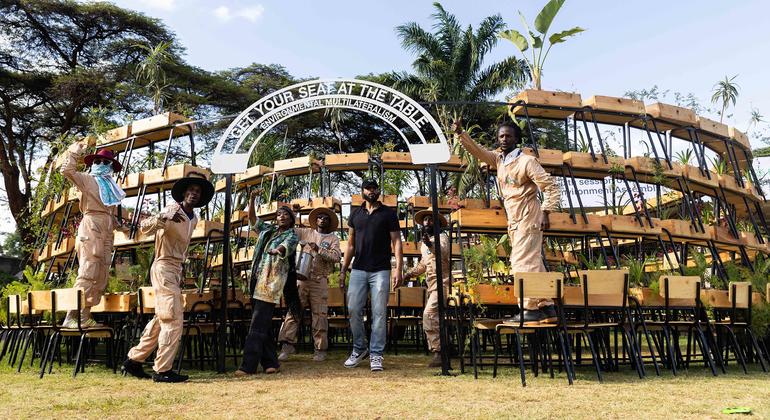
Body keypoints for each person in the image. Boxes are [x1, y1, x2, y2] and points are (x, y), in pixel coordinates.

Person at [453, 119, 561, 323]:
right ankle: (547, 307)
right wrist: (461, 133)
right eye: (501, 136)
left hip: (528, 217)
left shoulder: (527, 161)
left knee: (521, 263)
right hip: (514, 220)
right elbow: (478, 151)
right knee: (534, 262)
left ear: (516, 139)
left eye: (508, 136)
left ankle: (529, 308)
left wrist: (546, 211)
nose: (504, 139)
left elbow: (551, 186)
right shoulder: (499, 160)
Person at [122, 172, 214, 383]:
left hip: (176, 269)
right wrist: (163, 218)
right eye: (190, 190)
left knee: (162, 317)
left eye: (197, 192)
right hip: (163, 266)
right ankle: (163, 370)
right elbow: (144, 229)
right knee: (173, 318)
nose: (194, 194)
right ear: (184, 193)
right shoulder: (171, 209)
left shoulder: (194, 218)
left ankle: (134, 360)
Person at [59, 139, 127, 328]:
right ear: (92, 163)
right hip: (91, 225)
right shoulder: (87, 179)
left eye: (106, 162)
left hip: (106, 229)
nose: (101, 164)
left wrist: (120, 225)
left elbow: (111, 214)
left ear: (112, 166)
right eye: (97, 161)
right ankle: (71, 316)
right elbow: (67, 171)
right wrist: (74, 152)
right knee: (88, 271)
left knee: (101, 273)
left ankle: (84, 316)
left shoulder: (112, 188)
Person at [340, 179, 403, 371]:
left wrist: (398, 269)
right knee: (353, 309)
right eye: (368, 188)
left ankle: (376, 354)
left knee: (379, 313)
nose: (371, 191)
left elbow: (397, 242)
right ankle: (359, 349)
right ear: (362, 192)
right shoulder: (355, 214)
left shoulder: (388, 214)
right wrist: (343, 270)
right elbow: (350, 244)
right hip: (358, 269)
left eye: (374, 188)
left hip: (381, 270)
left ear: (378, 191)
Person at [234, 195, 299, 376]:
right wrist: (253, 200)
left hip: (271, 282)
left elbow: (286, 246)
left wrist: (277, 250)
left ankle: (248, 365)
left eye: (286, 214)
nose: (282, 216)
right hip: (256, 279)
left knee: (257, 323)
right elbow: (253, 220)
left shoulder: (292, 235)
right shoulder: (268, 230)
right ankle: (271, 363)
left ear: (291, 219)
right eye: (279, 214)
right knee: (262, 322)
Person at [277, 206, 341, 362]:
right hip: (301, 278)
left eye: (326, 218)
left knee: (319, 314)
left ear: (329, 222)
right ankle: (287, 346)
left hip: (320, 279)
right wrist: (294, 213)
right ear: (315, 220)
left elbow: (336, 257)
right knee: (294, 311)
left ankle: (320, 349)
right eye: (320, 217)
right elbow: (289, 231)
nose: (322, 219)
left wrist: (318, 249)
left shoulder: (333, 239)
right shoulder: (305, 232)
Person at [402, 208, 450, 367]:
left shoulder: (442, 238)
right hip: (432, 286)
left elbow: (442, 253)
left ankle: (438, 352)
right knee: (434, 317)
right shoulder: (424, 244)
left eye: (431, 220)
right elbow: (423, 264)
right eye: (425, 220)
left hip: (443, 284)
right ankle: (442, 350)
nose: (427, 222)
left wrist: (430, 244)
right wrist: (409, 274)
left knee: (428, 315)